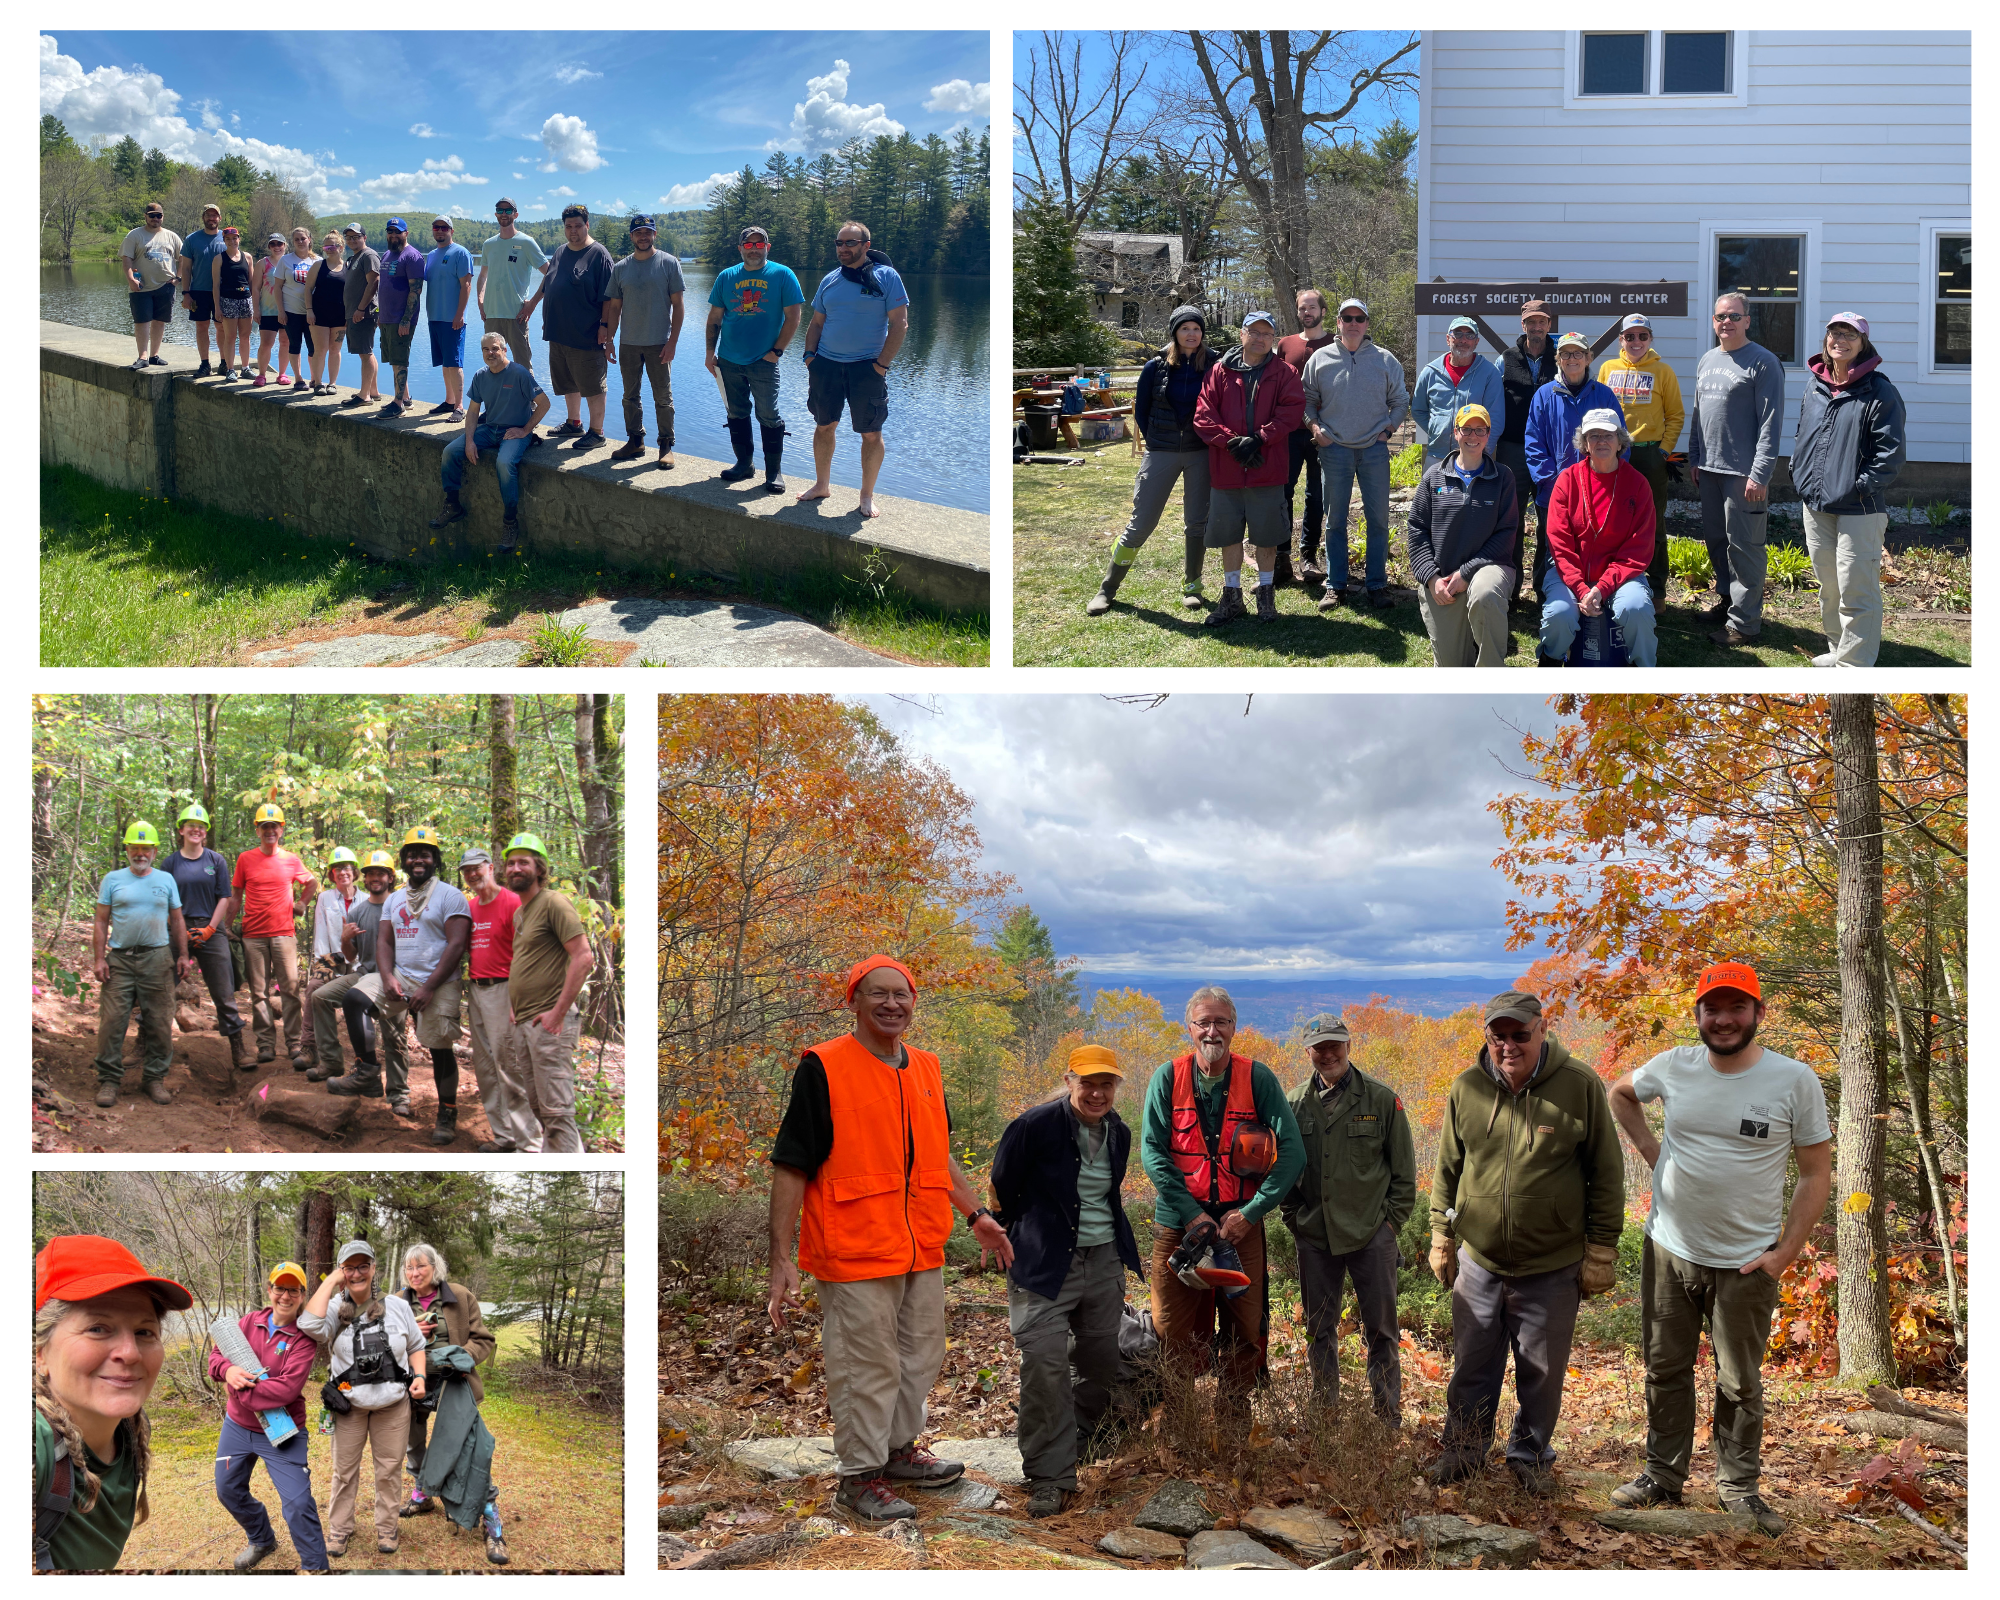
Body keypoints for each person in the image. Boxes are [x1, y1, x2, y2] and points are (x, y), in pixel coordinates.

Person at [766, 955, 1014, 1521]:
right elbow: (790, 1165)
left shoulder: (925, 1067)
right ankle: (857, 1477)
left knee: (920, 1357)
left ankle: (898, 1453)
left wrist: (975, 1214)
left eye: (901, 994)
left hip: (919, 1247)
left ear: (913, 1001)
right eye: (877, 994)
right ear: (853, 1001)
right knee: (866, 1365)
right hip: (852, 1250)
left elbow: (937, 1154)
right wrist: (780, 1255)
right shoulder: (824, 1067)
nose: (891, 1004)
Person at [1606, 963, 1833, 1537]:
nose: (1724, 1019)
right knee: (1665, 1368)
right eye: (1713, 1008)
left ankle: (1739, 1489)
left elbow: (1815, 1173)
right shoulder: (1675, 1066)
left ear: (1759, 1014)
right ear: (1699, 1015)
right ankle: (1662, 1475)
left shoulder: (1793, 1080)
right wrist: (1654, 1153)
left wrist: (1783, 1254)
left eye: (1737, 1007)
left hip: (1746, 1260)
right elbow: (1621, 1094)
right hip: (1669, 1247)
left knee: (1739, 1381)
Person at [1427, 991, 1624, 1494]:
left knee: (1540, 1372)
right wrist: (1441, 1236)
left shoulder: (1579, 1084)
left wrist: (1602, 1250)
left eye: (1520, 1034)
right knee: (1472, 1365)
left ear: (1541, 1029)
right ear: (1487, 1037)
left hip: (1552, 1263)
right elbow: (1448, 1167)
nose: (1509, 1045)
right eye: (1499, 1036)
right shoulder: (1466, 1087)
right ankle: (1465, 1451)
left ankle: (1531, 1457)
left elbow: (1605, 1173)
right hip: (1480, 1260)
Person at [991, 1045, 1145, 1518]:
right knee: (1044, 1364)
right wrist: (1000, 1238)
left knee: (1099, 1362)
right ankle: (1049, 1475)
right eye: (1088, 1082)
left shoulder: (1118, 1131)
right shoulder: (1033, 1125)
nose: (1097, 1092)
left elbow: (1109, 1193)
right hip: (1042, 1264)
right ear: (1069, 1080)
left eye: (1107, 1084)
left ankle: (1077, 1435)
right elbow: (1002, 1185)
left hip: (1102, 1262)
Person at [1138, 987, 1304, 1423]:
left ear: (1234, 1027)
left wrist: (1252, 1213)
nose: (1212, 1031)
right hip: (1178, 1226)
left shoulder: (1258, 1078)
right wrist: (1191, 1214)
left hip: (1239, 1226)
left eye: (1222, 1022)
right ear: (1189, 1028)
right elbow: (1152, 1153)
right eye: (1203, 1022)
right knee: (1172, 1328)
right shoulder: (1166, 1077)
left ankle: (1234, 1418)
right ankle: (1179, 1421)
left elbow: (1293, 1153)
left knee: (1245, 1327)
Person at [1281, 1015, 1415, 1424]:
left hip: (1371, 1234)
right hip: (1316, 1236)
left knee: (1381, 1331)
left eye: (1335, 1044)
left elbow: (1404, 1175)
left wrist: (1388, 1226)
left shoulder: (1380, 1099)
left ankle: (1386, 1418)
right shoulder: (1293, 1104)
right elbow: (1283, 1170)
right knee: (1319, 1331)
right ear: (1307, 1052)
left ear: (1349, 1046)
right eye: (1319, 1047)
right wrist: (1293, 1218)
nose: (1328, 1053)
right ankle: (1324, 1416)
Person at [34, 1235, 193, 1572]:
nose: (131, 1352)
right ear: (40, 1354)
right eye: (97, 1328)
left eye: (144, 1332)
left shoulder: (130, 1427)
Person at [1790, 312, 1908, 668]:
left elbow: (1890, 454)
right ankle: (1839, 649)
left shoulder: (1879, 390)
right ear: (1826, 339)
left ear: (1863, 343)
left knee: (1857, 589)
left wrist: (1859, 488)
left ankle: (1854, 666)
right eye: (1834, 333)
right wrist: (1800, 471)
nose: (1840, 340)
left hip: (1859, 508)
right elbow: (1803, 435)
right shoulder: (1816, 386)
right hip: (1816, 504)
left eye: (1850, 335)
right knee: (1830, 587)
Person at [1086, 306, 1216, 616]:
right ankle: (1107, 588)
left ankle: (1192, 587)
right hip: (1161, 453)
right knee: (1141, 522)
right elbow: (1141, 410)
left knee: (1197, 523)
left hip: (1201, 453)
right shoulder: (1154, 367)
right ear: (1174, 332)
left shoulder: (1214, 365)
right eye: (1185, 328)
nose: (1191, 334)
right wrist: (1156, 440)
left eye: (1196, 329)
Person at [300, 1242, 426, 1560]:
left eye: (362, 1266)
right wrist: (331, 1282)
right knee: (344, 1471)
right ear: (343, 1270)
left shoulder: (397, 1307)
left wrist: (420, 1376)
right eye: (349, 1267)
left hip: (393, 1406)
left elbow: (416, 1344)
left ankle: (387, 1528)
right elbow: (307, 1325)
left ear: (373, 1268)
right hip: (349, 1407)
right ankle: (340, 1529)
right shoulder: (332, 1310)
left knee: (388, 1470)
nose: (357, 1273)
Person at [210, 1262, 329, 1572]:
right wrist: (229, 1371)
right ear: (270, 1290)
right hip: (237, 1427)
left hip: (283, 1429)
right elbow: (216, 1357)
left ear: (303, 1295)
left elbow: (286, 1389)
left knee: (298, 1504)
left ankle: (316, 1567)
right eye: (280, 1288)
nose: (285, 1296)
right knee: (227, 1489)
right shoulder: (249, 1321)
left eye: (293, 1290)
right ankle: (262, 1539)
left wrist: (235, 1391)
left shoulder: (303, 1338)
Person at [1193, 310, 1307, 625]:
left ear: (1274, 338)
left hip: (1266, 469)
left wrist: (1259, 439)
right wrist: (1232, 443)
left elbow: (1292, 411)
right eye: (1253, 332)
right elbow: (1204, 414)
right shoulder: (1218, 372)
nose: (1259, 338)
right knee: (1228, 535)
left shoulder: (1284, 373)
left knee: (1266, 536)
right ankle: (1232, 597)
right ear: (1242, 334)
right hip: (1226, 470)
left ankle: (1266, 596)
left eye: (1266, 333)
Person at [395, 1243, 506, 1561]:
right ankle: (422, 1494)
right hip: (412, 1384)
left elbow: (483, 1339)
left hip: (452, 1383)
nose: (414, 1273)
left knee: (467, 1449)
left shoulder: (459, 1295)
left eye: (421, 1266)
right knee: (412, 1444)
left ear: (435, 1267)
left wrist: (461, 1356)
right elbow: (385, 1344)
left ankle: (491, 1522)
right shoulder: (398, 1302)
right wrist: (408, 1333)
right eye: (409, 1267)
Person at [1690, 293, 1787, 647]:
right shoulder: (1707, 360)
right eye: (1719, 316)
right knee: (1717, 542)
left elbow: (1771, 422)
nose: (1725, 322)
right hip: (1710, 469)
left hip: (1743, 474)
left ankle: (1745, 624)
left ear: (1747, 320)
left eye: (1733, 316)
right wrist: (1695, 456)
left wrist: (1760, 472)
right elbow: (1699, 414)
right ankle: (1729, 601)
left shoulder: (1763, 362)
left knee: (1744, 546)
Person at [1301, 297, 1408, 611]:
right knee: (1335, 522)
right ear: (1338, 322)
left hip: (1373, 451)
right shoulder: (1319, 359)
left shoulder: (1385, 360)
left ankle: (1376, 584)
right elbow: (1306, 401)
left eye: (1359, 318)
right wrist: (1315, 429)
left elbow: (1401, 401)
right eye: (1347, 318)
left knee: (1378, 520)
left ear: (1367, 324)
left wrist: (1387, 431)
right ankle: (1336, 585)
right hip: (1335, 450)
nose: (1353, 323)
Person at [798, 222, 909, 516]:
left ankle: (866, 495)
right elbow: (817, 323)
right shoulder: (829, 280)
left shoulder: (887, 277)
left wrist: (881, 365)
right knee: (823, 426)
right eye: (839, 243)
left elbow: (899, 324)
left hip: (867, 369)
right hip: (827, 366)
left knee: (871, 433)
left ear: (865, 245)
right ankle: (822, 485)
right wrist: (810, 357)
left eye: (850, 242)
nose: (843, 248)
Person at [1538, 408, 1659, 666]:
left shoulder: (1638, 485)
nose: (1601, 441)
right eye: (1594, 435)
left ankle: (1644, 679)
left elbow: (1639, 548)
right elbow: (1559, 544)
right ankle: (1549, 663)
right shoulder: (1567, 481)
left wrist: (1602, 587)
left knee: (1636, 609)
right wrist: (1582, 589)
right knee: (1560, 613)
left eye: (1608, 435)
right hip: (1569, 573)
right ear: (1584, 443)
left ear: (1620, 442)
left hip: (1622, 575)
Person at [376, 825, 472, 1147]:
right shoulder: (395, 898)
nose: (419, 859)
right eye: (413, 854)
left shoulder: (450, 895)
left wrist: (429, 987)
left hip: (439, 983)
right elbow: (384, 942)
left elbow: (457, 945)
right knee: (355, 1000)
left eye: (426, 854)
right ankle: (364, 1070)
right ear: (403, 860)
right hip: (403, 978)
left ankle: (447, 1111)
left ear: (435, 860)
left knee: (439, 1047)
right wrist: (388, 977)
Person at [1405, 403, 1518, 668]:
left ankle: (1490, 675)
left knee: (1485, 593)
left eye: (1480, 430)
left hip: (1490, 568)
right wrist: (1431, 579)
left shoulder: (1503, 477)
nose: (1473, 436)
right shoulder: (1434, 477)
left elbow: (1506, 534)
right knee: (1452, 668)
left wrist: (1467, 573)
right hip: (1444, 578)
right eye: (1466, 429)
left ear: (1488, 435)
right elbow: (1416, 529)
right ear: (1455, 433)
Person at [503, 832, 593, 1154]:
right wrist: (515, 1006)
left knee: (556, 1113)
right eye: (511, 863)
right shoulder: (520, 913)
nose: (515, 868)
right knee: (542, 1110)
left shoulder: (554, 903)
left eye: (523, 862)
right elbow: (530, 962)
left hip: (550, 1023)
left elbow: (583, 957)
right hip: (526, 1022)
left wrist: (557, 1013)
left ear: (539, 868)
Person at [91, 822, 191, 1107]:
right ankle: (109, 1080)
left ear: (155, 851)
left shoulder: (165, 879)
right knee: (112, 1021)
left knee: (159, 1021)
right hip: (120, 959)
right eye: (134, 847)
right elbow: (100, 920)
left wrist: (182, 955)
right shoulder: (112, 879)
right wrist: (99, 959)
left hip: (157, 958)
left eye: (145, 848)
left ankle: (154, 1079)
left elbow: (178, 919)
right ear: (127, 849)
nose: (140, 853)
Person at [430, 332, 551, 551]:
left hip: (514, 432)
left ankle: (510, 522)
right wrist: (469, 441)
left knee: (504, 464)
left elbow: (544, 403)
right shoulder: (480, 376)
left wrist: (525, 430)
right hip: (489, 429)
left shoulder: (519, 373)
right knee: (449, 451)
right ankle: (453, 504)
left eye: (495, 348)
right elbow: (474, 412)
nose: (490, 353)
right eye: (486, 349)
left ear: (505, 350)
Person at [703, 224, 804, 487]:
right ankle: (744, 465)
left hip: (764, 360)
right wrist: (710, 352)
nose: (754, 249)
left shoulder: (783, 275)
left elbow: (794, 317)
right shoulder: (726, 277)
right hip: (728, 360)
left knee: (768, 414)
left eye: (760, 244)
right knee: (736, 412)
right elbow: (714, 318)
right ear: (740, 249)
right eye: (749, 245)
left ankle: (774, 473)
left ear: (767, 247)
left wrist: (777, 351)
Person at [1597, 313, 1684, 609]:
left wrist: (1664, 451)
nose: (1636, 342)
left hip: (1649, 454)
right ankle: (1611, 580)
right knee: (1611, 517)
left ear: (1650, 339)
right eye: (1630, 336)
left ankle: (1657, 588)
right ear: (1621, 340)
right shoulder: (1607, 369)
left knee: (1653, 521)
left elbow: (1675, 415)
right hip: (1614, 452)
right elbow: (1598, 412)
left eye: (1642, 336)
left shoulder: (1663, 371)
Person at [457, 847, 538, 1154]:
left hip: (506, 990)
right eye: (467, 871)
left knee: (510, 1066)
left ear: (491, 867)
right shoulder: (470, 907)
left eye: (477, 868)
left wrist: (521, 998)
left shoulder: (513, 902)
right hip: (477, 989)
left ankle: (529, 1144)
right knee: (485, 1067)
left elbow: (528, 952)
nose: (472, 874)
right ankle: (504, 1136)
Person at [518, 204, 613, 451]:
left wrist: (605, 327)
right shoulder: (560, 251)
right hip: (559, 333)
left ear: (587, 225)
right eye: (568, 226)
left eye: (578, 226)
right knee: (567, 381)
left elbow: (610, 297)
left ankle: (597, 432)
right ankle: (574, 422)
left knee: (592, 385)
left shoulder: (599, 254)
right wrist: (532, 304)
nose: (573, 231)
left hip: (586, 333)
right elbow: (548, 283)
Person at [231, 801, 317, 1071]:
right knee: (259, 992)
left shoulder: (291, 859)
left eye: (275, 827)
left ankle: (293, 1042)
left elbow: (312, 882)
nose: (270, 831)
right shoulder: (245, 859)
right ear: (258, 831)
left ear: (281, 830)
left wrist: (301, 903)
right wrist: (224, 925)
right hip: (253, 935)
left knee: (290, 989)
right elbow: (235, 895)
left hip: (283, 933)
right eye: (265, 827)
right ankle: (265, 1043)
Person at [163, 802, 248, 1069]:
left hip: (211, 929)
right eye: (191, 826)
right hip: (178, 928)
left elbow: (225, 897)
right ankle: (147, 1041)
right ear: (181, 830)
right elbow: (163, 901)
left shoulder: (215, 860)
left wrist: (212, 929)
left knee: (224, 992)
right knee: (161, 989)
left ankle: (238, 1048)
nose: (196, 831)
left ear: (206, 831)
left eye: (201, 827)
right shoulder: (170, 863)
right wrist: (179, 932)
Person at [605, 214, 686, 468]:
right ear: (632, 236)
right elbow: (614, 309)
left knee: (663, 396)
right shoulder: (620, 268)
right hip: (629, 343)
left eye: (647, 232)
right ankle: (635, 441)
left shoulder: (669, 263)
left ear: (654, 234)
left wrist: (672, 342)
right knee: (630, 396)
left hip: (659, 342)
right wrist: (609, 340)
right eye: (638, 232)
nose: (643, 236)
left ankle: (665, 445)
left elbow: (679, 306)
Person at [313, 849, 395, 1089]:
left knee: (394, 1034)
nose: (375, 878)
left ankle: (398, 1091)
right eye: (371, 874)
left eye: (381, 874)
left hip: (393, 977)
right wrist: (345, 940)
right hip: (363, 974)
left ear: (390, 877)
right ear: (365, 878)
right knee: (319, 996)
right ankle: (331, 1061)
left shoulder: (400, 905)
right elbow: (351, 955)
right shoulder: (357, 912)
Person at [1525, 332, 1624, 526]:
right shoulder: (1544, 396)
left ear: (1588, 358)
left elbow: (1620, 441)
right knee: (1553, 549)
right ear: (1558, 359)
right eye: (1566, 354)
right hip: (1555, 491)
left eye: (1578, 353)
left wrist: (1609, 480)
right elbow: (1533, 444)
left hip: (1599, 490)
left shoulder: (1604, 395)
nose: (1572, 359)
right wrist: (1553, 482)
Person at [1496, 299, 1560, 603]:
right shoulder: (1505, 359)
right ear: (1523, 325)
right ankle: (1510, 588)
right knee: (1512, 520)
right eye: (1531, 322)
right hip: (1512, 450)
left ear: (1549, 325)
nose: (1537, 328)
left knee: (1550, 521)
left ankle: (1545, 587)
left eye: (1542, 322)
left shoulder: (1561, 357)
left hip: (1550, 452)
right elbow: (1495, 405)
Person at [1278, 289, 1338, 583]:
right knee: (1282, 494)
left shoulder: (1336, 344)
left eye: (1312, 307)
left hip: (1323, 434)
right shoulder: (1285, 345)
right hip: (1287, 433)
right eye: (1302, 308)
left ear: (1323, 312)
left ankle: (1308, 557)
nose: (1307, 312)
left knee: (1316, 496)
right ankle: (1281, 557)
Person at [1411, 316, 1506, 470]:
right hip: (1436, 456)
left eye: (1470, 335)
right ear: (1448, 339)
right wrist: (1438, 429)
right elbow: (1418, 409)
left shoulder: (1490, 373)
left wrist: (1481, 451)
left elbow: (1495, 418)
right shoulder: (1430, 372)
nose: (1463, 340)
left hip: (1475, 457)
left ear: (1476, 341)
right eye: (1458, 334)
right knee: (1437, 494)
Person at [302, 847, 361, 1069]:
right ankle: (309, 1047)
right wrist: (323, 963)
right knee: (313, 989)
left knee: (358, 999)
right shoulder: (325, 898)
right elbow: (321, 932)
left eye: (346, 867)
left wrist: (361, 966)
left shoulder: (366, 899)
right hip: (332, 961)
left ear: (354, 871)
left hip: (359, 964)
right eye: (337, 868)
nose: (342, 872)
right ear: (331, 874)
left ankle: (361, 1056)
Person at [475, 198, 547, 372]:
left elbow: (550, 274)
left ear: (516, 214)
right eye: (500, 210)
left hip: (517, 315)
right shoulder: (489, 244)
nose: (504, 214)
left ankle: (528, 400)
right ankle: (499, 399)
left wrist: (532, 304)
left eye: (508, 210)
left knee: (522, 365)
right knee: (493, 364)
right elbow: (483, 275)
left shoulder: (526, 242)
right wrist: (480, 300)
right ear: (495, 214)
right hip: (492, 315)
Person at [422, 216, 474, 419]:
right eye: (436, 228)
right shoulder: (432, 255)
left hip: (453, 318)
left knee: (454, 363)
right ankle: (449, 400)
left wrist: (460, 314)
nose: (440, 231)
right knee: (445, 363)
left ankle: (459, 407)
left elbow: (466, 285)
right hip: (434, 316)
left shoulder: (461, 253)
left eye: (444, 228)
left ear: (452, 231)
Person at [373, 219, 425, 419]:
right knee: (395, 361)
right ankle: (406, 398)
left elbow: (415, 291)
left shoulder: (412, 257)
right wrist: (380, 314)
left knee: (400, 360)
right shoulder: (387, 254)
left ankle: (398, 404)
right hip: (386, 317)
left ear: (406, 233)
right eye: (390, 231)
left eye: (398, 232)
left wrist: (406, 320)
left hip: (401, 319)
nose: (393, 235)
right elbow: (383, 287)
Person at [120, 201, 180, 371]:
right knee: (142, 321)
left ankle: (154, 355)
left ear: (163, 217)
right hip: (141, 286)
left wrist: (178, 278)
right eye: (152, 215)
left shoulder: (172, 236)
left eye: (158, 215)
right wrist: (131, 279)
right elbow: (126, 259)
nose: (155, 218)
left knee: (160, 321)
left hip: (166, 286)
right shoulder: (134, 235)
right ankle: (142, 357)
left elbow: (183, 258)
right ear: (146, 216)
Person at [177, 203, 228, 377]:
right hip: (199, 290)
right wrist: (186, 293)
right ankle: (205, 364)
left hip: (223, 292)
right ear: (203, 218)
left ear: (220, 218)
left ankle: (224, 363)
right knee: (201, 327)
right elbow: (185, 269)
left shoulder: (227, 237)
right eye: (208, 215)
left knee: (222, 327)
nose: (212, 218)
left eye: (215, 215)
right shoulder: (192, 239)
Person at [336, 223, 382, 407]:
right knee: (367, 352)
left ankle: (364, 396)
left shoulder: (368, 255)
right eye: (349, 237)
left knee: (365, 352)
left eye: (356, 236)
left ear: (364, 237)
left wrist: (361, 309)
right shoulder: (355, 257)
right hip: (355, 312)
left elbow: (374, 282)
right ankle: (373, 391)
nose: (352, 240)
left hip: (364, 313)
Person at [207, 227, 255, 387]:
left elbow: (251, 282)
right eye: (228, 239)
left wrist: (253, 302)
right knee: (230, 337)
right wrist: (217, 307)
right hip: (228, 300)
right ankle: (230, 369)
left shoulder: (247, 257)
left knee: (245, 336)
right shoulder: (219, 259)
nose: (232, 241)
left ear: (239, 239)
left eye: (234, 238)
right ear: (224, 241)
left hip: (245, 300)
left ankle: (246, 367)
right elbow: (215, 285)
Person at [302, 233, 348, 395]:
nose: (329, 250)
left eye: (332, 246)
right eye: (326, 247)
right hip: (319, 315)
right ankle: (319, 382)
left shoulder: (348, 267)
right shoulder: (318, 266)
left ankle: (332, 383)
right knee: (320, 349)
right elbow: (308, 289)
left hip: (340, 316)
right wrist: (309, 310)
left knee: (335, 349)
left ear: (341, 248)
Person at [275, 228, 321, 390]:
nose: (300, 242)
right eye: (296, 239)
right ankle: (299, 378)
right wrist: (281, 311)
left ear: (309, 239)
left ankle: (315, 378)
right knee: (294, 345)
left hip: (313, 313)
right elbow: (278, 288)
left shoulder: (318, 261)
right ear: (292, 242)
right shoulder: (285, 260)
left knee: (314, 347)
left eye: (303, 238)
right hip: (291, 311)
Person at [251, 236, 289, 388]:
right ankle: (261, 374)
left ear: (285, 245)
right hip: (267, 310)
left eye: (279, 243)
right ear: (269, 247)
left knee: (285, 342)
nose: (276, 246)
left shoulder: (290, 262)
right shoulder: (263, 263)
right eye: (272, 244)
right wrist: (256, 309)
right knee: (266, 343)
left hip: (288, 310)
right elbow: (255, 288)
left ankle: (282, 374)